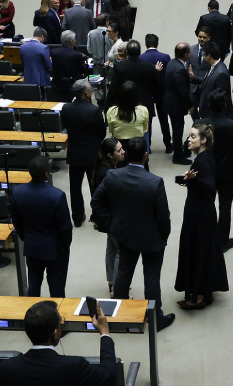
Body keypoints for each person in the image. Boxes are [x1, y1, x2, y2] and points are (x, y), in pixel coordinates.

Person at [90, 137, 175, 331]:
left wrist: (110, 225)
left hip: (125, 235)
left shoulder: (113, 176)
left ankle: (120, 316)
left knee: (123, 275)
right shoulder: (155, 182)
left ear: (126, 155)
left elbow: (96, 201)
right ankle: (156, 319)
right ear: (146, 155)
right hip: (152, 238)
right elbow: (163, 216)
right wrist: (164, 235)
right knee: (151, 278)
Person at [0, 300, 116, 386]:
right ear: (56, 333)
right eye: (60, 321)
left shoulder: (7, 368)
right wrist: (104, 333)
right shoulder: (75, 366)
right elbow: (108, 377)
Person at [174, 123, 230, 309]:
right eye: (189, 136)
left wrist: (193, 179)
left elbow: (209, 188)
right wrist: (186, 179)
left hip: (198, 215)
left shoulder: (202, 161)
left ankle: (198, 295)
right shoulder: (204, 158)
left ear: (203, 140)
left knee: (196, 251)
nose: (189, 140)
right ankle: (203, 290)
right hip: (202, 212)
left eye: (193, 137)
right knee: (203, 251)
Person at [9, 156, 72, 297]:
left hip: (32, 246)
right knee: (57, 288)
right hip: (55, 249)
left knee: (34, 284)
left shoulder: (18, 192)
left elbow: (16, 220)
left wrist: (26, 237)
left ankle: (33, 316)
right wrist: (65, 245)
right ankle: (56, 316)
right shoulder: (57, 196)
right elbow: (65, 227)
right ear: (47, 173)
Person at [198, 90, 233, 252]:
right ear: (225, 105)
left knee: (206, 205)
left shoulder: (200, 124)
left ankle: (206, 237)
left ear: (209, 105)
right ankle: (223, 240)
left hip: (206, 171)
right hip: (227, 171)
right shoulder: (232, 125)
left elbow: (191, 145)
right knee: (225, 205)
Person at [61, 79, 106, 227]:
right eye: (91, 90)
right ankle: (98, 217)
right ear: (86, 93)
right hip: (91, 154)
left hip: (74, 153)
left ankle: (77, 217)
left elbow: (66, 126)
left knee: (75, 188)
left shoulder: (66, 108)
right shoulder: (94, 111)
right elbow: (102, 132)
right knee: (95, 187)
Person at [94, 138, 126, 293]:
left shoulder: (103, 168)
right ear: (109, 155)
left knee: (112, 249)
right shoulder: (109, 174)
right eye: (119, 150)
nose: (123, 152)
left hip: (107, 218)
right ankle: (118, 287)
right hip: (112, 218)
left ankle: (112, 282)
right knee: (120, 250)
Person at [110, 40, 161, 130]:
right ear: (140, 51)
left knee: (126, 129)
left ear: (126, 52)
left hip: (124, 104)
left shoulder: (119, 66)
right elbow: (156, 86)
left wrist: (110, 106)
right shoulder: (149, 67)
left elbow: (113, 87)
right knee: (145, 130)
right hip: (145, 104)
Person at [139, 35, 172, 154]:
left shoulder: (141, 58)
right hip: (161, 93)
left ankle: (148, 147)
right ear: (157, 44)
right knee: (164, 120)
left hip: (147, 94)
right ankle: (168, 145)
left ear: (146, 44)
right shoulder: (165, 57)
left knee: (147, 122)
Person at [163, 43, 192, 165]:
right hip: (176, 104)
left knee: (177, 128)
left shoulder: (172, 63)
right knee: (178, 129)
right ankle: (178, 156)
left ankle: (178, 150)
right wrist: (190, 106)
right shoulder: (180, 68)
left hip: (169, 101)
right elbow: (183, 91)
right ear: (186, 54)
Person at [193, 42, 232, 119]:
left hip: (214, 116)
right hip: (207, 113)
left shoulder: (221, 73)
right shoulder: (212, 67)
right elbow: (208, 81)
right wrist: (193, 77)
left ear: (209, 56)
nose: (203, 57)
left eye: (204, 55)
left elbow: (221, 99)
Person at [48, 30, 85, 99]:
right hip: (72, 86)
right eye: (75, 39)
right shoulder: (77, 55)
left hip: (57, 85)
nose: (75, 41)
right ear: (71, 42)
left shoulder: (54, 52)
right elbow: (82, 70)